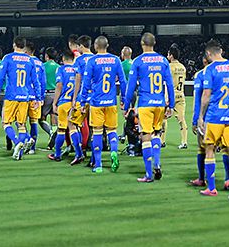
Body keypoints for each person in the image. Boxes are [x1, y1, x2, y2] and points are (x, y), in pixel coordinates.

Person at [124, 32, 175, 183]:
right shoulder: (163, 60)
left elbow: (131, 86)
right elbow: (170, 84)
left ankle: (148, 174)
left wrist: (126, 105)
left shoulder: (138, 61)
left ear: (142, 44)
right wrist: (171, 104)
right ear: (154, 44)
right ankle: (157, 164)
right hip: (160, 103)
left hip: (146, 104)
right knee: (156, 134)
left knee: (145, 136)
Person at [197, 40, 229, 197]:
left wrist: (200, 117)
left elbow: (206, 95)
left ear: (209, 54)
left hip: (215, 117)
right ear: (221, 51)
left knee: (209, 150)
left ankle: (211, 188)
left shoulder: (209, 69)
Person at [80, 36, 126, 173]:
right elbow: (123, 81)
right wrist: (124, 99)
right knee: (112, 131)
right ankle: (114, 153)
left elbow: (86, 83)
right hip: (111, 101)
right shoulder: (116, 60)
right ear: (107, 45)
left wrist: (82, 101)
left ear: (95, 46)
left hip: (96, 102)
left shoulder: (92, 61)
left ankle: (98, 165)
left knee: (98, 133)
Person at [0, 36, 39, 160]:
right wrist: (37, 97)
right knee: (21, 125)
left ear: (14, 44)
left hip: (11, 95)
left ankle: (16, 142)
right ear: (24, 46)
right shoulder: (30, 60)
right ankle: (20, 152)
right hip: (25, 96)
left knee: (6, 122)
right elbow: (35, 81)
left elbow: (1, 77)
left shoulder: (8, 58)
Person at [69, 36, 94, 166]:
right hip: (96, 99)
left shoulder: (79, 60)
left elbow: (77, 80)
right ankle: (94, 159)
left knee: (72, 123)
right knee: (96, 128)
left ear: (81, 46)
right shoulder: (97, 58)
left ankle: (79, 154)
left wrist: (74, 99)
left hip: (82, 98)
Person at [49, 51, 76, 161]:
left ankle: (57, 154)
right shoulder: (77, 70)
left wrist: (55, 102)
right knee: (74, 129)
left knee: (61, 130)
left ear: (63, 59)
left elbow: (59, 85)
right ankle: (79, 153)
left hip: (64, 102)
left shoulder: (61, 69)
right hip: (74, 103)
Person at [189, 55, 210, 187]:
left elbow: (198, 99)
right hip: (224, 115)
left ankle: (203, 179)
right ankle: (228, 179)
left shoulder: (201, 75)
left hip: (207, 117)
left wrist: (196, 119)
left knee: (203, 148)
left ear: (204, 61)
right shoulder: (224, 71)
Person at [25, 41, 48, 154]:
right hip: (36, 97)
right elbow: (43, 82)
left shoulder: (25, 62)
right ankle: (32, 148)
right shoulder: (40, 63)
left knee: (20, 122)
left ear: (26, 50)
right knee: (33, 122)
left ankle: (26, 141)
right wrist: (41, 97)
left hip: (24, 96)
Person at [167, 45, 188, 149]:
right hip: (181, 94)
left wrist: (167, 98)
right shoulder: (183, 67)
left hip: (171, 95)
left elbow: (168, 84)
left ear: (171, 55)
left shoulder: (169, 67)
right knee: (181, 119)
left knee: (163, 119)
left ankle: (161, 141)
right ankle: (184, 142)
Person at [42, 47, 60, 149]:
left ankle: (51, 133)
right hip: (56, 94)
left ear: (46, 56)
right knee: (54, 116)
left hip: (46, 94)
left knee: (41, 118)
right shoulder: (58, 67)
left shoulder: (42, 66)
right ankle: (54, 136)